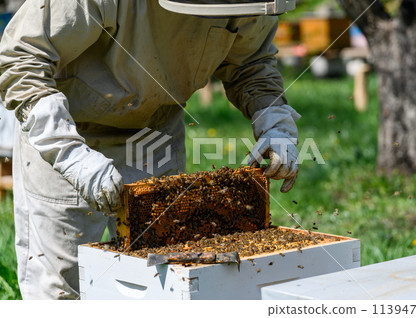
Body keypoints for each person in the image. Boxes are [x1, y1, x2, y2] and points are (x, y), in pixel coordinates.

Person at [0, 0, 300, 299]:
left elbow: (250, 64)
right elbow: (22, 58)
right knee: (61, 290)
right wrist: (70, 155)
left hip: (156, 134)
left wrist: (273, 119)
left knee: (158, 282)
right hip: (69, 132)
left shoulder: (247, 3)